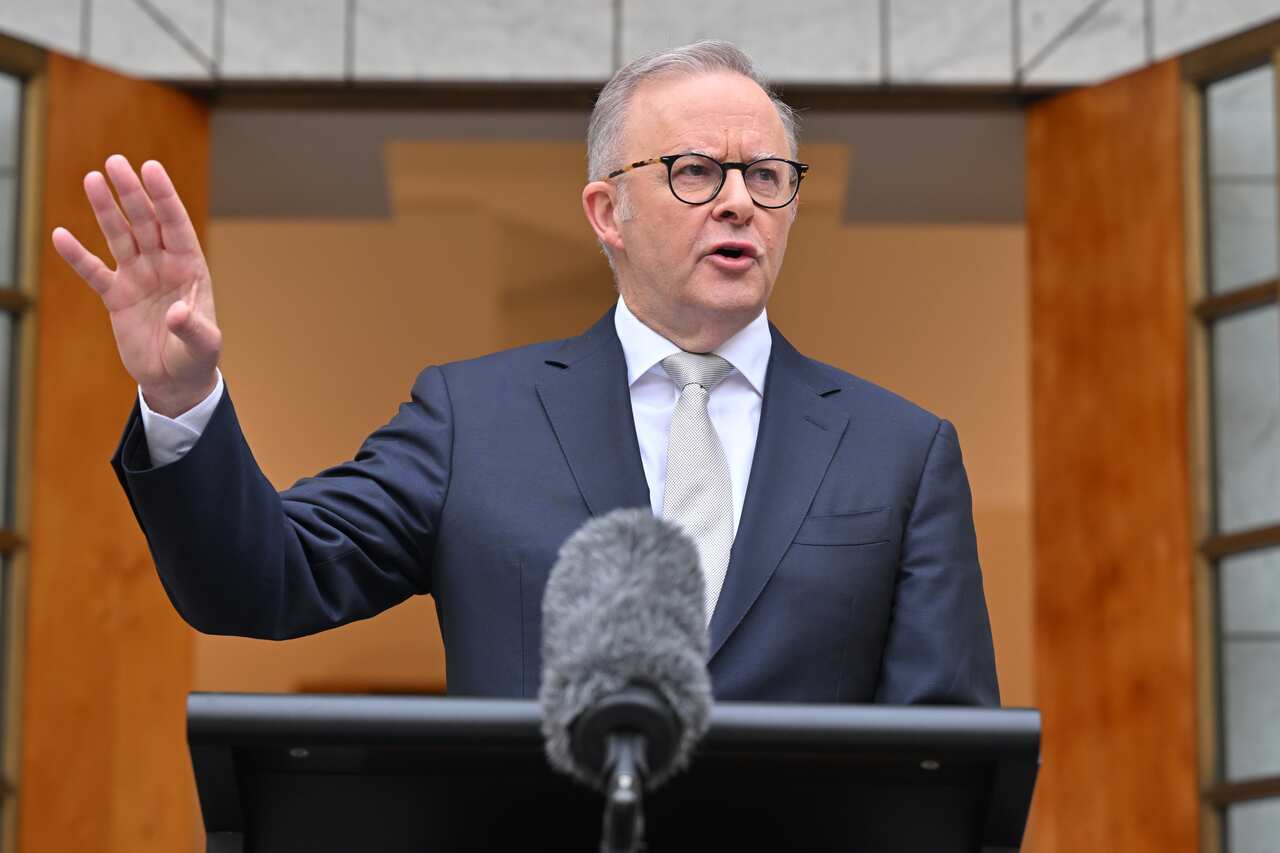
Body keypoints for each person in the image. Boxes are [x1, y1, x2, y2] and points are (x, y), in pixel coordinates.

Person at [53, 41, 998, 705]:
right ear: (606, 210)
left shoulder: (901, 453)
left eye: (767, 175)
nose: (740, 203)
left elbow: (945, 762)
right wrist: (180, 402)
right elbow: (263, 580)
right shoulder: (475, 420)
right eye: (696, 172)